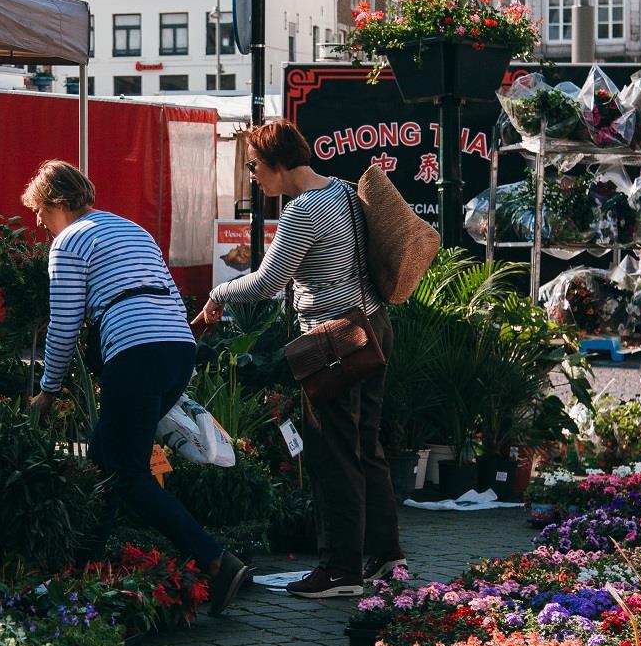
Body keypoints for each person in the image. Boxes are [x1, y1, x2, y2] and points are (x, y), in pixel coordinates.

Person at [23, 159, 249, 617]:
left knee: (127, 474)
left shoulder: (69, 241)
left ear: (59, 203)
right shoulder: (129, 228)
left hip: (134, 351)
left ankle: (216, 561)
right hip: (177, 349)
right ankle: (83, 568)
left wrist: (47, 391)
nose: (43, 228)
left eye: (42, 216)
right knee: (105, 462)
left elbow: (64, 325)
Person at [196, 122, 403, 599]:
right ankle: (386, 553)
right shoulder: (345, 192)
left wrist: (217, 293)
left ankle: (341, 570)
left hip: (333, 342)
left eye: (254, 166)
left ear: (277, 164)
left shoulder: (301, 212)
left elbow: (268, 283)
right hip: (374, 327)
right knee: (366, 445)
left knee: (332, 453)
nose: (254, 177)